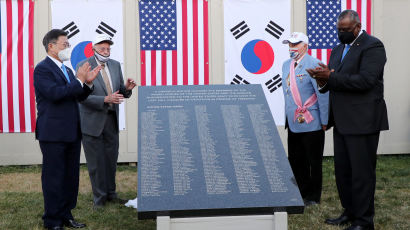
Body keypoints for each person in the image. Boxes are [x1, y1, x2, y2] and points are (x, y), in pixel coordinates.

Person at [306, 10, 388, 230]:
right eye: (338, 30)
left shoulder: (373, 46)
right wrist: (322, 79)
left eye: (345, 30)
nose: (341, 33)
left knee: (361, 173)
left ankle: (364, 221)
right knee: (343, 172)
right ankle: (350, 212)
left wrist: (331, 76)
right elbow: (335, 82)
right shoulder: (338, 49)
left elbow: (365, 81)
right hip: (342, 120)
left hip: (363, 121)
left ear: (357, 26)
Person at [34, 29, 101, 230]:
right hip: (53, 133)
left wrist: (87, 83)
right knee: (54, 177)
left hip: (72, 132)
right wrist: (79, 81)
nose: (68, 48)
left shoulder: (68, 70)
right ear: (51, 46)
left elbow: (77, 96)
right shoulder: (42, 69)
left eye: (68, 44)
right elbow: (55, 94)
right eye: (64, 44)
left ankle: (66, 214)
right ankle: (52, 220)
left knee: (70, 177)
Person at [77, 34, 137, 209]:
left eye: (108, 48)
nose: (106, 51)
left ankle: (111, 194)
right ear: (93, 48)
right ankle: (99, 198)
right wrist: (104, 99)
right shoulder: (84, 66)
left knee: (111, 159)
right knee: (96, 162)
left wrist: (126, 89)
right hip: (92, 121)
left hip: (111, 120)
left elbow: (118, 93)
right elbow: (80, 96)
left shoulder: (115, 65)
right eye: (102, 48)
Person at [281, 32, 329, 206]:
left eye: (295, 44)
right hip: (293, 121)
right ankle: (300, 192)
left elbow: (323, 95)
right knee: (295, 159)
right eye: (289, 45)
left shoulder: (315, 65)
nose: (291, 48)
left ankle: (313, 197)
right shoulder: (286, 65)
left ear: (305, 46)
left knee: (313, 161)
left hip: (312, 121)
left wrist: (325, 120)